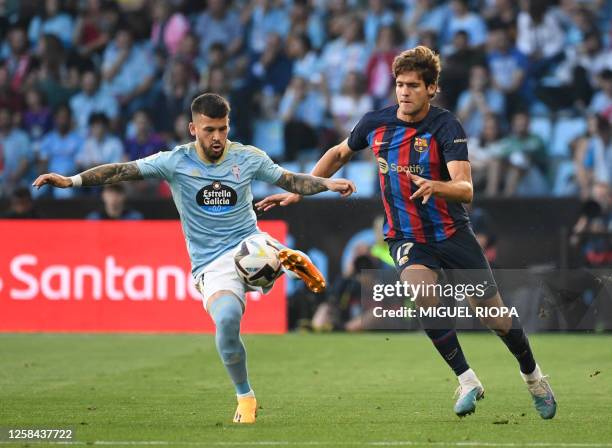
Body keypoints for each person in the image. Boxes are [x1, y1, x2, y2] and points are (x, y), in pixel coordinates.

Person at [257, 46, 557, 419]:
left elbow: (466, 189)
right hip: (406, 236)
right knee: (421, 292)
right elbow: (337, 153)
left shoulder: (447, 127)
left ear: (432, 88)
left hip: (452, 234)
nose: (404, 92)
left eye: (413, 85)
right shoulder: (376, 123)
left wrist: (436, 185)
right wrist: (298, 189)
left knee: (493, 317)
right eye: (399, 84)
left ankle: (534, 377)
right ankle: (466, 379)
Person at [33, 92, 356, 424]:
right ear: (193, 128)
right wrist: (71, 180)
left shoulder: (247, 157)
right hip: (210, 262)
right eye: (209, 130)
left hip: (247, 241)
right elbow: (122, 170)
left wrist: (326, 183)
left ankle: (284, 256)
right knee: (228, 321)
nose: (217, 138)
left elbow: (290, 180)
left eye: (222, 129)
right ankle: (245, 395)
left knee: (260, 250)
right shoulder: (175, 161)